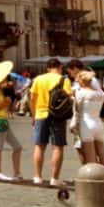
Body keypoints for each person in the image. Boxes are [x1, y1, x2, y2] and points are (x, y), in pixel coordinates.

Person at [28, 57, 74, 185]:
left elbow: (31, 98)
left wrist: (34, 115)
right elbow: (69, 99)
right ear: (60, 67)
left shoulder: (38, 79)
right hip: (58, 116)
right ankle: (54, 178)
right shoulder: (64, 80)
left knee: (39, 146)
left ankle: (37, 176)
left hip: (40, 115)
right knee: (57, 147)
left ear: (47, 68)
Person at [73, 64, 104, 170]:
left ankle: (95, 179)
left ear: (82, 81)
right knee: (102, 153)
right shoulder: (100, 94)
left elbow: (76, 109)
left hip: (86, 125)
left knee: (91, 158)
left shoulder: (80, 93)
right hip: (98, 124)